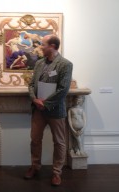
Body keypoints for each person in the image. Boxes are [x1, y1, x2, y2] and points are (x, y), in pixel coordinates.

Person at [25, 34, 73, 186]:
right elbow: (31, 85)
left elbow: (63, 89)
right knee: (35, 140)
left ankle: (56, 173)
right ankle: (35, 167)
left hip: (56, 110)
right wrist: (34, 99)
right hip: (38, 109)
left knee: (59, 142)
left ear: (52, 46)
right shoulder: (39, 63)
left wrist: (45, 103)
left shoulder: (65, 64)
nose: (40, 47)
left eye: (43, 44)